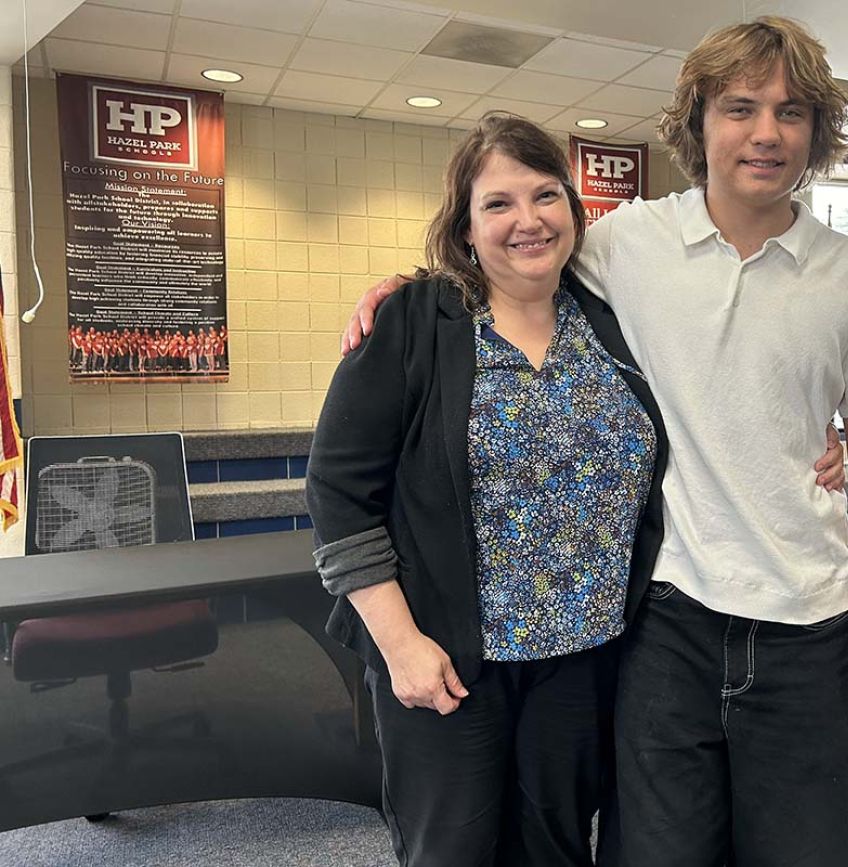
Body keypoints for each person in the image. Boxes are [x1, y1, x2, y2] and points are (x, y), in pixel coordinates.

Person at [343, 17, 848, 866]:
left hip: (808, 617)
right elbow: (514, 255)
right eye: (740, 108)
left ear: (817, 132)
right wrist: (411, 285)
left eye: (792, 112)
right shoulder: (626, 243)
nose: (766, 132)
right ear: (699, 124)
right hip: (663, 618)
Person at [306, 113, 673, 866]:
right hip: (447, 658)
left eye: (546, 196)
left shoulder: (613, 324)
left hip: (585, 656)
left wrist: (818, 441)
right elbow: (338, 489)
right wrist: (400, 644)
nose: (528, 220)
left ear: (574, 210)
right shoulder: (415, 322)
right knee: (454, 850)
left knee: (559, 846)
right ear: (465, 228)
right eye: (498, 203)